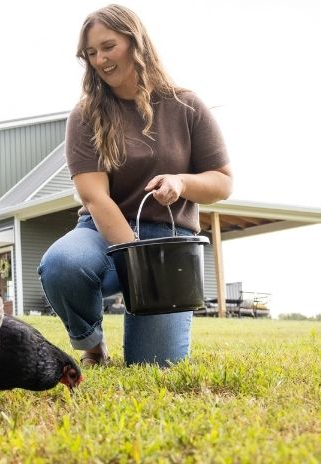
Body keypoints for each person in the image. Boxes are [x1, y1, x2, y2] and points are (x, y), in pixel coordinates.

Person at [38, 4, 232, 367]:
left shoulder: (187, 105)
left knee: (154, 366)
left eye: (108, 46)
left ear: (135, 41)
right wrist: (136, 260)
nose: (99, 59)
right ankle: (93, 345)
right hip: (103, 232)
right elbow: (94, 197)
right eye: (91, 53)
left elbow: (222, 182)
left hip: (169, 244)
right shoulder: (86, 115)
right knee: (62, 264)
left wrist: (181, 182)